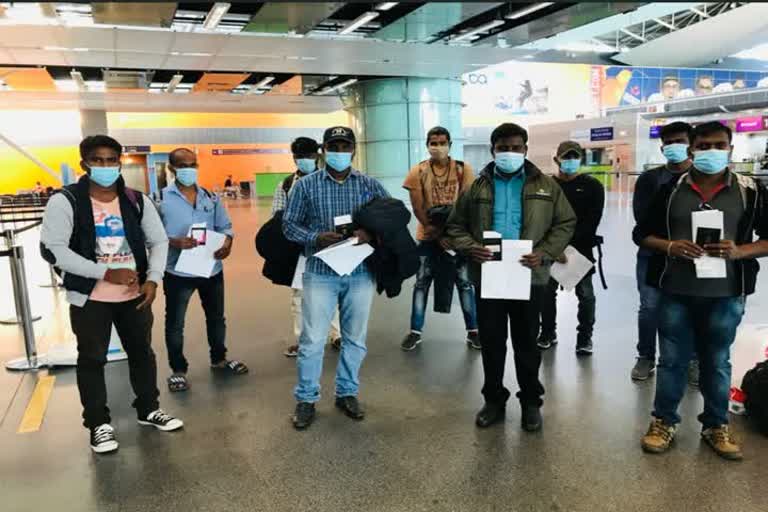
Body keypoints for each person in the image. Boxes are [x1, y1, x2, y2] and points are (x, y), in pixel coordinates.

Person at [40, 135, 183, 454]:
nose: (105, 166)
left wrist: (153, 279)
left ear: (119, 162)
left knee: (142, 353)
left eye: (110, 160)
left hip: (133, 295)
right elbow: (55, 250)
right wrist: (105, 272)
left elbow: (158, 241)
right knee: (92, 359)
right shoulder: (66, 201)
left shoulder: (136, 200)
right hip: (90, 297)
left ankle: (148, 409)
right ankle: (98, 423)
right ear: (84, 164)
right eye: (97, 160)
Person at [634, 121, 768, 460]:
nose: (711, 151)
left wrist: (740, 251)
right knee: (672, 361)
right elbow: (641, 234)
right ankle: (663, 422)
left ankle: (715, 425)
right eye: (704, 145)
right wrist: (670, 246)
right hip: (675, 289)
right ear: (692, 150)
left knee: (717, 361)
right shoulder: (670, 189)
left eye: (719, 145)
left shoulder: (749, 190)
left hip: (726, 292)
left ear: (731, 149)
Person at [444, 123, 576, 431]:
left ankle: (531, 402)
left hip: (529, 276)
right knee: (492, 343)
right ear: (493, 150)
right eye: (503, 148)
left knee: (527, 343)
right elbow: (455, 227)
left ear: (526, 150)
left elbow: (565, 223)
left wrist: (544, 252)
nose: (510, 153)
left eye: (516, 147)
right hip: (489, 275)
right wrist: (471, 248)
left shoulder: (545, 185)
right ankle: (493, 400)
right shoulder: (476, 187)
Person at [282, 126, 389, 430]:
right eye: (333, 146)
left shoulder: (370, 186)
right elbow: (289, 226)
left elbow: (392, 217)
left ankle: (347, 392)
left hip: (360, 272)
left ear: (354, 150)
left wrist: (372, 233)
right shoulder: (306, 186)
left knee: (355, 338)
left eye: (344, 146)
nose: (339, 151)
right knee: (313, 339)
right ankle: (306, 398)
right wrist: (317, 237)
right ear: (323, 150)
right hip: (320, 272)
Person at [159, 148, 247, 393]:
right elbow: (150, 235)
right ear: (171, 168)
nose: (188, 169)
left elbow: (225, 227)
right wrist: (173, 241)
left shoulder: (210, 197)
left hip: (211, 269)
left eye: (192, 164)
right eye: (182, 164)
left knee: (217, 317)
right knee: (176, 323)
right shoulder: (159, 199)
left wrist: (227, 244)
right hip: (178, 272)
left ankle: (219, 359)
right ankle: (178, 369)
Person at [400, 126, 478, 351]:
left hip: (457, 238)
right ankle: (415, 331)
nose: (438, 147)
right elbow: (417, 207)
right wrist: (435, 233)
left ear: (450, 144)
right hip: (428, 236)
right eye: (433, 143)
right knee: (422, 282)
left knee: (465, 283)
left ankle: (473, 331)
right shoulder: (418, 171)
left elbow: (466, 205)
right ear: (427, 145)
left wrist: (451, 235)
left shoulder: (464, 170)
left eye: (442, 143)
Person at [631, 122, 695, 382]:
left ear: (691, 144)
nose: (673, 146)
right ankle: (646, 356)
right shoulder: (649, 179)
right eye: (668, 142)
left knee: (692, 308)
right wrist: (669, 243)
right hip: (653, 256)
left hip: (693, 257)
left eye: (679, 141)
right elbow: (642, 222)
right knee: (650, 307)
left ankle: (692, 360)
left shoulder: (701, 177)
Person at [271, 137, 341, 357]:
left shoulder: (331, 180)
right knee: (300, 295)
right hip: (300, 248)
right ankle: (303, 339)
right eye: (299, 156)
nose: (304, 160)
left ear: (318, 156)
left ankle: (337, 335)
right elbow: (278, 218)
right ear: (294, 158)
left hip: (331, 245)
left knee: (334, 290)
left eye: (309, 156)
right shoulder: (285, 185)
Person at [536, 141, 604, 354]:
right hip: (551, 251)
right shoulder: (546, 186)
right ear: (556, 159)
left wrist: (566, 248)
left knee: (586, 296)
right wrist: (554, 248)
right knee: (546, 295)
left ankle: (584, 338)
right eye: (566, 157)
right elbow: (541, 219)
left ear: (581, 159)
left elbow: (592, 221)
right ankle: (547, 333)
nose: (570, 161)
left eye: (574, 157)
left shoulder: (593, 186)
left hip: (581, 251)